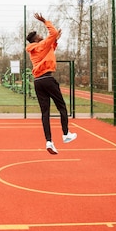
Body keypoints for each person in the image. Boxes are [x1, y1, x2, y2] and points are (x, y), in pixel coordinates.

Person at [26, 12, 77, 154]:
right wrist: (45, 21)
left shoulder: (36, 49)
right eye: (38, 35)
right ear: (35, 39)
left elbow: (51, 48)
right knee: (62, 107)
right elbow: (52, 33)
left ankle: (49, 141)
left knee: (45, 112)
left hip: (38, 82)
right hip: (48, 79)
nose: (41, 36)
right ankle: (66, 134)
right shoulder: (42, 44)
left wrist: (55, 39)